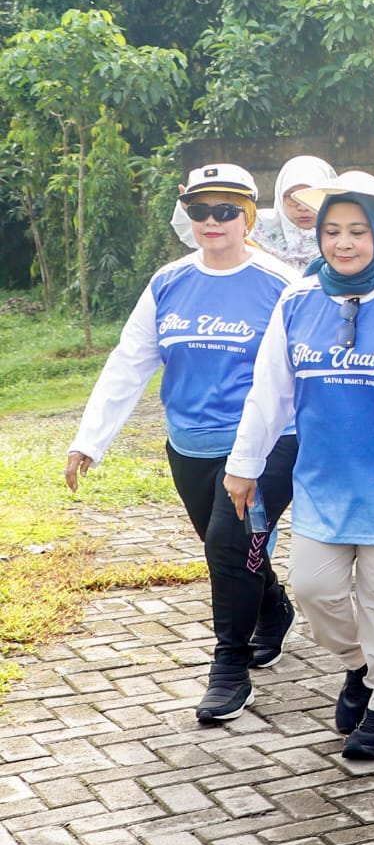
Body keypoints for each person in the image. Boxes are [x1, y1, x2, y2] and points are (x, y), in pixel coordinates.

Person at [225, 171, 374, 759]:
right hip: (323, 483)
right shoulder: (297, 300)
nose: (343, 242)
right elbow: (270, 392)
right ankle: (359, 665)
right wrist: (244, 462)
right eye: (332, 230)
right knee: (314, 589)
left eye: (358, 231)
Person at [68, 164, 301, 724]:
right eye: (201, 210)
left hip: (266, 447)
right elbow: (130, 361)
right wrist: (89, 440)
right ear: (187, 216)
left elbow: (304, 369)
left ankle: (229, 666)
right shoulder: (167, 282)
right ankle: (272, 606)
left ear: (248, 215)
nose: (213, 221)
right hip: (190, 447)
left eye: (226, 210)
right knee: (233, 551)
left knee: (229, 542)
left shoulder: (282, 284)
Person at [168, 156, 335, 270]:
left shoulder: (345, 233)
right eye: (291, 197)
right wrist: (190, 206)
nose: (302, 207)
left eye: (310, 196)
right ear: (279, 195)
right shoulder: (254, 225)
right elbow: (200, 235)